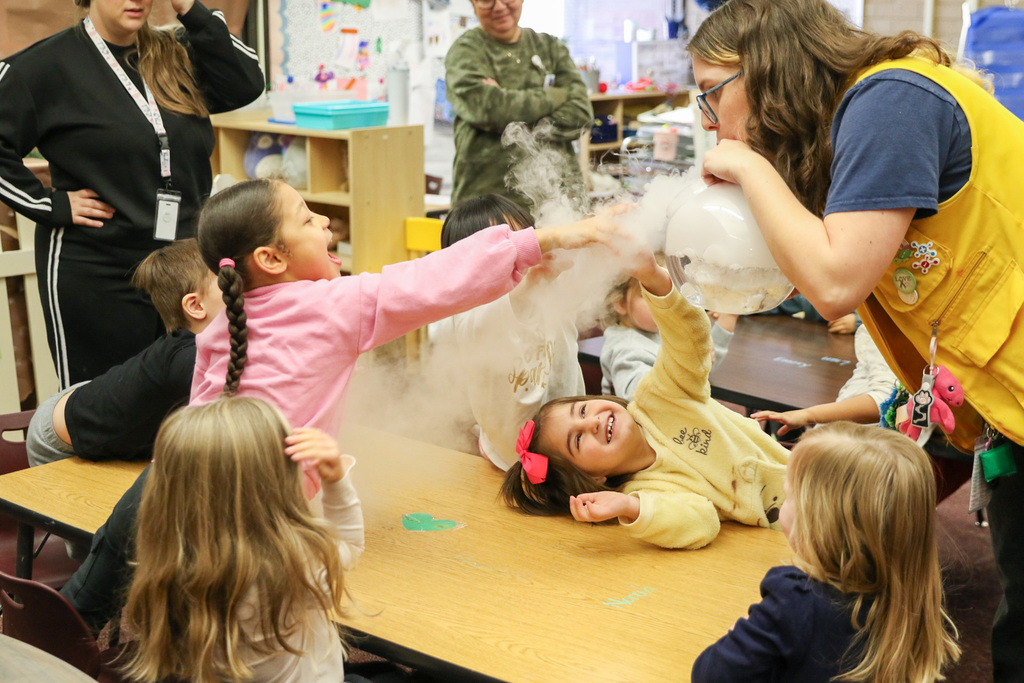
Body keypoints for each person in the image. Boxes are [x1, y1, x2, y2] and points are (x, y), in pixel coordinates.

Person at [688, 1, 1023, 675]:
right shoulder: (864, 118)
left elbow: (835, 281)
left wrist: (750, 168)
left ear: (768, 66)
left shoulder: (888, 98)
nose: (706, 119)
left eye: (710, 93)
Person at [0, 0, 264, 389]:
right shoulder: (44, 67)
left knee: (190, 398)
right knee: (104, 405)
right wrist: (49, 204)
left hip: (183, 262)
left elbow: (247, 82)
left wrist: (190, 10)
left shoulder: (178, 51)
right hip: (97, 267)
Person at [500, 249, 788, 549]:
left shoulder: (660, 398)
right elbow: (701, 522)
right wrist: (631, 508)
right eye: (578, 440)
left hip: (813, 479)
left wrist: (654, 280)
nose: (593, 423)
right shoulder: (644, 491)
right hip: (788, 535)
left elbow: (687, 343)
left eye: (583, 410)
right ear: (595, 478)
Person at [692, 421, 960, 681]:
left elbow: (711, 674)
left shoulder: (795, 601)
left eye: (788, 496)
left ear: (816, 520)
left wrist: (740, 631)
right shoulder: (910, 599)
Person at [121, 397, 363, 682]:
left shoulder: (167, 563)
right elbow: (350, 546)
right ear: (272, 485)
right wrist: (336, 480)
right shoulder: (293, 571)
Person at [26, 238, 221, 467]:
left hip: (114, 408)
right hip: (56, 438)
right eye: (230, 282)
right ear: (196, 306)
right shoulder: (183, 357)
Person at [431, 193, 586, 470]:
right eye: (508, 251)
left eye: (526, 243)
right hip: (507, 452)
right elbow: (490, 319)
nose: (525, 258)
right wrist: (534, 282)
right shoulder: (470, 312)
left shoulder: (550, 286)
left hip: (572, 436)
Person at [444, 0, 593, 212]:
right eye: (486, 0)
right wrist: (555, 95)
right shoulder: (465, 52)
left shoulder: (550, 48)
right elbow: (491, 109)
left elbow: (581, 116)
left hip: (558, 201)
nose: (499, 7)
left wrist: (509, 110)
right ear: (473, 4)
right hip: (488, 204)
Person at [600, 270, 736, 400]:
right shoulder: (626, 348)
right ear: (620, 303)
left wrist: (728, 318)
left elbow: (703, 370)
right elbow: (643, 396)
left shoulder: (659, 330)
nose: (668, 302)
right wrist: (687, 363)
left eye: (672, 294)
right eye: (650, 294)